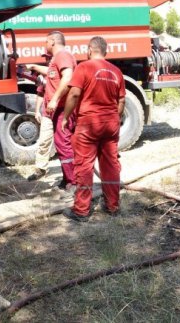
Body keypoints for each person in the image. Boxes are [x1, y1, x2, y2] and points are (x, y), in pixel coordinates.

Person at [61, 36, 126, 221]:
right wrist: (114, 118)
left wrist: (66, 117)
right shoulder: (116, 71)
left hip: (89, 124)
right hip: (111, 124)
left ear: (89, 50)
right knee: (111, 164)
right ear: (105, 51)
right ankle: (112, 206)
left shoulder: (84, 67)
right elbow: (121, 101)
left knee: (84, 166)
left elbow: (74, 93)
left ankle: (81, 210)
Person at [24, 31, 77, 196]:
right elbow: (51, 73)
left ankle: (73, 183)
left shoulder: (63, 55)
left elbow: (67, 77)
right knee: (61, 145)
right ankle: (67, 180)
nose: (44, 45)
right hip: (56, 110)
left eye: (46, 42)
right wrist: (33, 67)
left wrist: (54, 99)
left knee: (64, 145)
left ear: (53, 41)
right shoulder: (57, 58)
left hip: (62, 109)